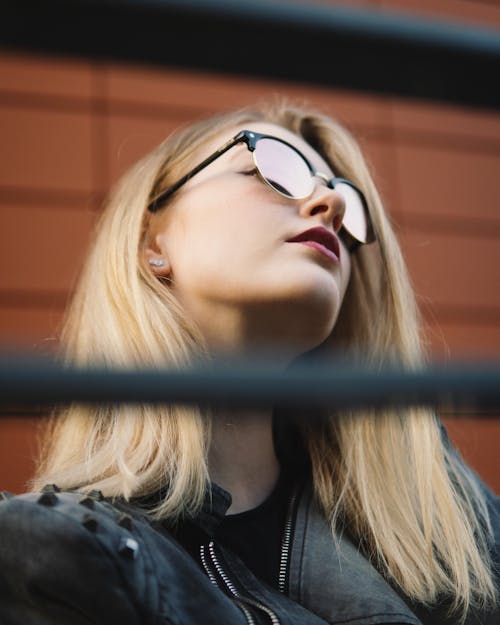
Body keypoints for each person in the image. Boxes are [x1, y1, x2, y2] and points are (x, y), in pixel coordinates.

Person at [0, 98, 498, 625]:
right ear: (153, 243)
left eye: (342, 198)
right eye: (275, 166)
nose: (327, 202)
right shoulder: (56, 548)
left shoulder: (439, 508)